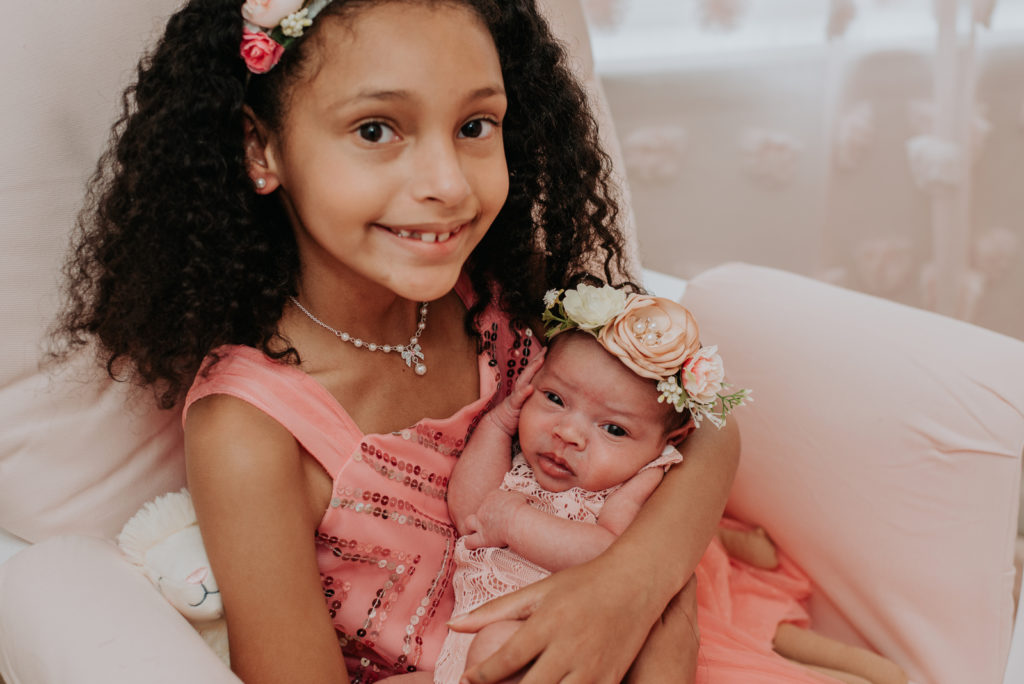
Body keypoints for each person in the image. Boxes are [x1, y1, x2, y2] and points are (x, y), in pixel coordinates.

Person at [52, 1, 739, 683]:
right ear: (262, 149)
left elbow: (707, 425)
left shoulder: (497, 300)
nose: (447, 184)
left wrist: (634, 588)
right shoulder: (250, 430)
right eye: (376, 129)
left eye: (475, 126)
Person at [439, 286, 907, 684]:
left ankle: (874, 673)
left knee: (746, 641)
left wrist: (516, 522)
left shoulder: (630, 487)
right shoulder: (521, 458)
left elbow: (607, 555)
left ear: (667, 444)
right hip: (459, 648)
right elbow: (469, 510)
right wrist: (500, 424)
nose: (569, 433)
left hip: (565, 642)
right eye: (555, 398)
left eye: (614, 430)